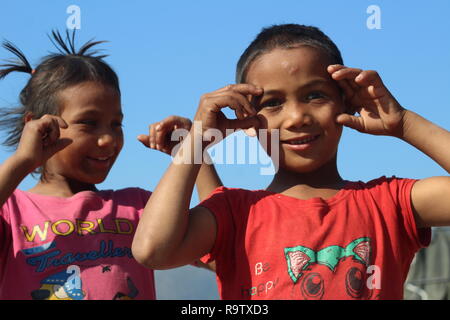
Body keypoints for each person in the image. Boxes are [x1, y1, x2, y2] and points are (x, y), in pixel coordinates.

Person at [132, 23, 450, 300]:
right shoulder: (233, 213)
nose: (297, 117)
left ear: (347, 101)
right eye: (272, 103)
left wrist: (404, 124)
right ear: (247, 120)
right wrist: (195, 143)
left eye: (315, 95)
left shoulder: (388, 204)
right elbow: (152, 250)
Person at [0, 31, 220, 300]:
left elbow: (222, 255)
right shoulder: (12, 213)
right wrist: (23, 160)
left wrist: (195, 152)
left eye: (116, 124)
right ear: (40, 126)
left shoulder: (139, 207)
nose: (108, 139)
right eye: (89, 123)